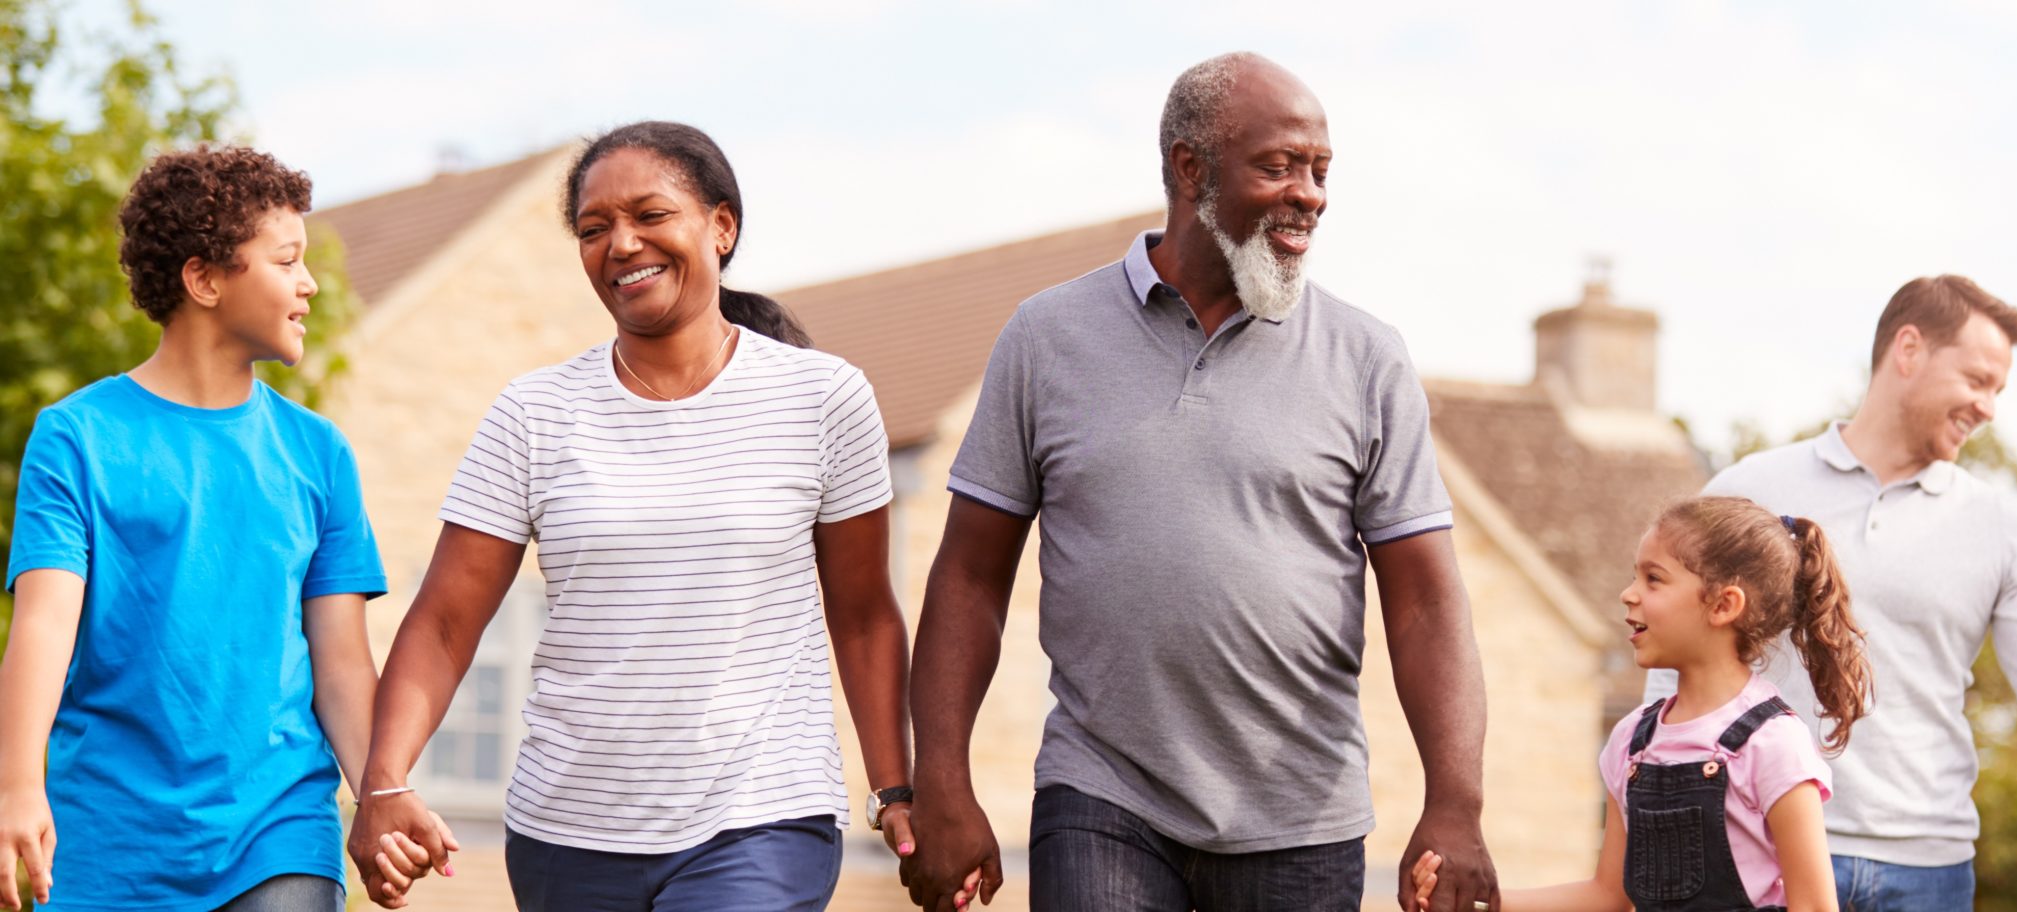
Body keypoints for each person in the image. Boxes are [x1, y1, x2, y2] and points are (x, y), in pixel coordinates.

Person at [898, 52, 1499, 912]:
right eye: (1279, 165)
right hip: (1102, 791)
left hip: (1302, 817)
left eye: (1321, 171)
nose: (1310, 193)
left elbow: (1427, 602)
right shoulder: (1046, 337)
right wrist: (943, 779)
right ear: (1190, 168)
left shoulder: (1366, 358)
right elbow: (967, 575)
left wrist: (1456, 804)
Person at [343, 121, 916, 912]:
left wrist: (897, 789)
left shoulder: (822, 398)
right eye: (593, 228)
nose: (620, 243)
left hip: (760, 823)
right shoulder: (534, 414)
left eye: (650, 215)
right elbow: (444, 622)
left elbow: (863, 616)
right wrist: (384, 785)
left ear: (721, 226)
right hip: (567, 836)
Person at [1645, 275, 2017, 910]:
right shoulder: (1751, 487)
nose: (1989, 407)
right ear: (1909, 349)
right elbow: (1674, 665)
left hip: (1929, 870)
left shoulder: (2001, 528)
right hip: (1763, 848)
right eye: (1977, 381)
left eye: (1998, 390)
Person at [0, 146, 392, 911]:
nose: (309, 284)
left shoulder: (318, 454)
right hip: (109, 842)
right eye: (287, 261)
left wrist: (382, 793)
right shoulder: (75, 437)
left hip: (279, 833)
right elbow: (42, 629)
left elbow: (342, 663)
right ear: (204, 279)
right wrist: (16, 786)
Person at [1416, 496, 1871, 911]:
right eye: (1634, 576)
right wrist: (1481, 904)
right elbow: (1607, 896)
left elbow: (1814, 905)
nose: (1628, 593)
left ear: (1723, 605)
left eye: (1653, 579)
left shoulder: (1773, 742)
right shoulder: (1631, 743)